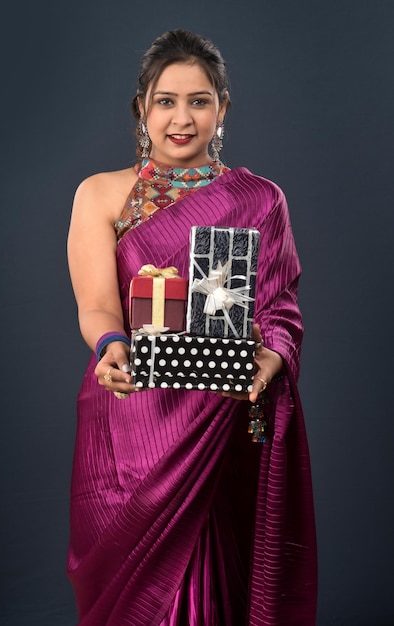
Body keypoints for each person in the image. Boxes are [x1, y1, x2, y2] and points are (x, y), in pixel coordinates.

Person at [66, 29, 317, 626]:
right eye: (166, 101)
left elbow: (280, 302)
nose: (182, 118)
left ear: (222, 108)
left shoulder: (260, 199)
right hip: (131, 414)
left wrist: (272, 358)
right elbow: (98, 304)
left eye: (199, 101)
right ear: (142, 108)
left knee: (218, 579)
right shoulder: (101, 194)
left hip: (220, 412)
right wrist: (111, 346)